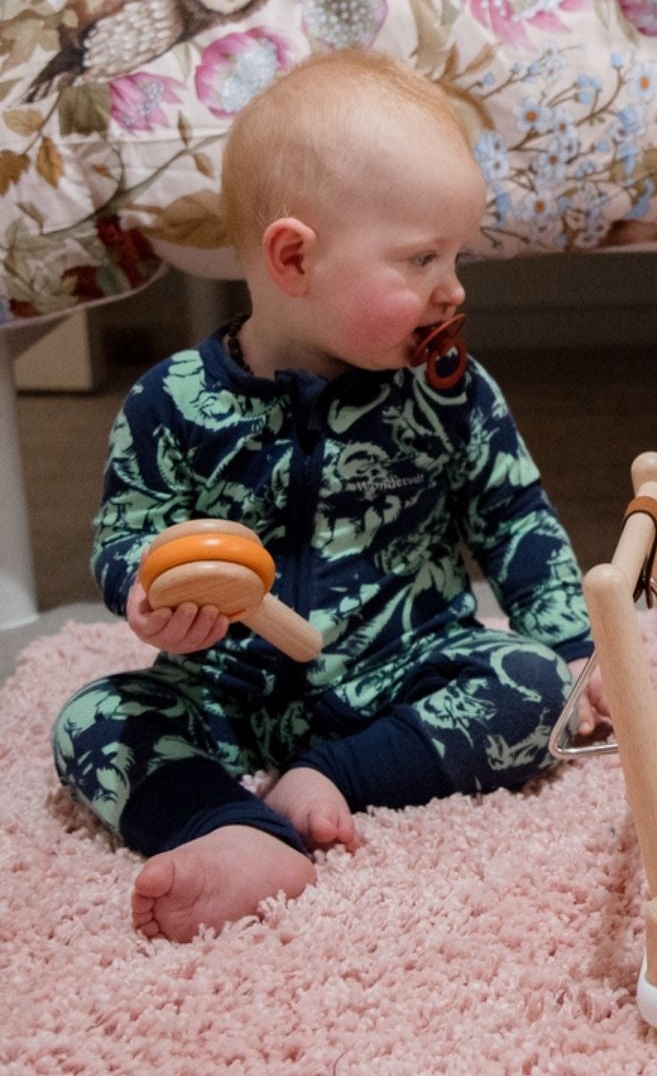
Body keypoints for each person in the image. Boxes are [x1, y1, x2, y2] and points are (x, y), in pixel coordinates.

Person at [51, 49, 599, 944]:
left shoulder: (447, 390)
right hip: (225, 690)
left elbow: (516, 518)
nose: (452, 289)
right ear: (295, 257)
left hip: (405, 672)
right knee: (94, 719)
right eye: (422, 258)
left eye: (455, 255)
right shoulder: (172, 401)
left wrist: (576, 648)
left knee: (536, 685)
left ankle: (336, 778)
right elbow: (128, 529)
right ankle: (232, 830)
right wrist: (144, 591)